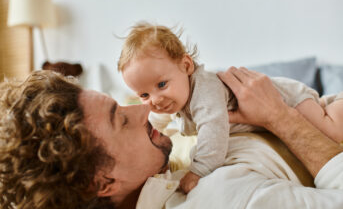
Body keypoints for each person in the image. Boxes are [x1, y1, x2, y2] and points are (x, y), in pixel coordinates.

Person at [0, 70, 343, 209]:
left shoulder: (163, 172)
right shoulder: (218, 200)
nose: (141, 110)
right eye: (120, 120)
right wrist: (281, 118)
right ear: (100, 183)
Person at [117, 22, 343, 193]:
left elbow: (213, 131)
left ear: (186, 65)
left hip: (289, 99)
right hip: (283, 104)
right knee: (322, 110)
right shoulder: (178, 96)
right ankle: (328, 103)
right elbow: (160, 121)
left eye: (162, 85)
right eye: (144, 94)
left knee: (331, 129)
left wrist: (198, 171)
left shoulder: (205, 91)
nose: (155, 100)